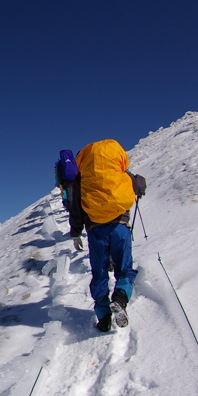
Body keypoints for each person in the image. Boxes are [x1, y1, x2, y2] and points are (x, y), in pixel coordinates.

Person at [68, 139, 146, 332]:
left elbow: (75, 207)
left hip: (96, 231)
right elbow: (140, 186)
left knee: (100, 272)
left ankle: (103, 318)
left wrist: (76, 232)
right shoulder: (122, 174)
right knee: (124, 268)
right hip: (120, 226)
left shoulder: (82, 180)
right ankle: (120, 298)